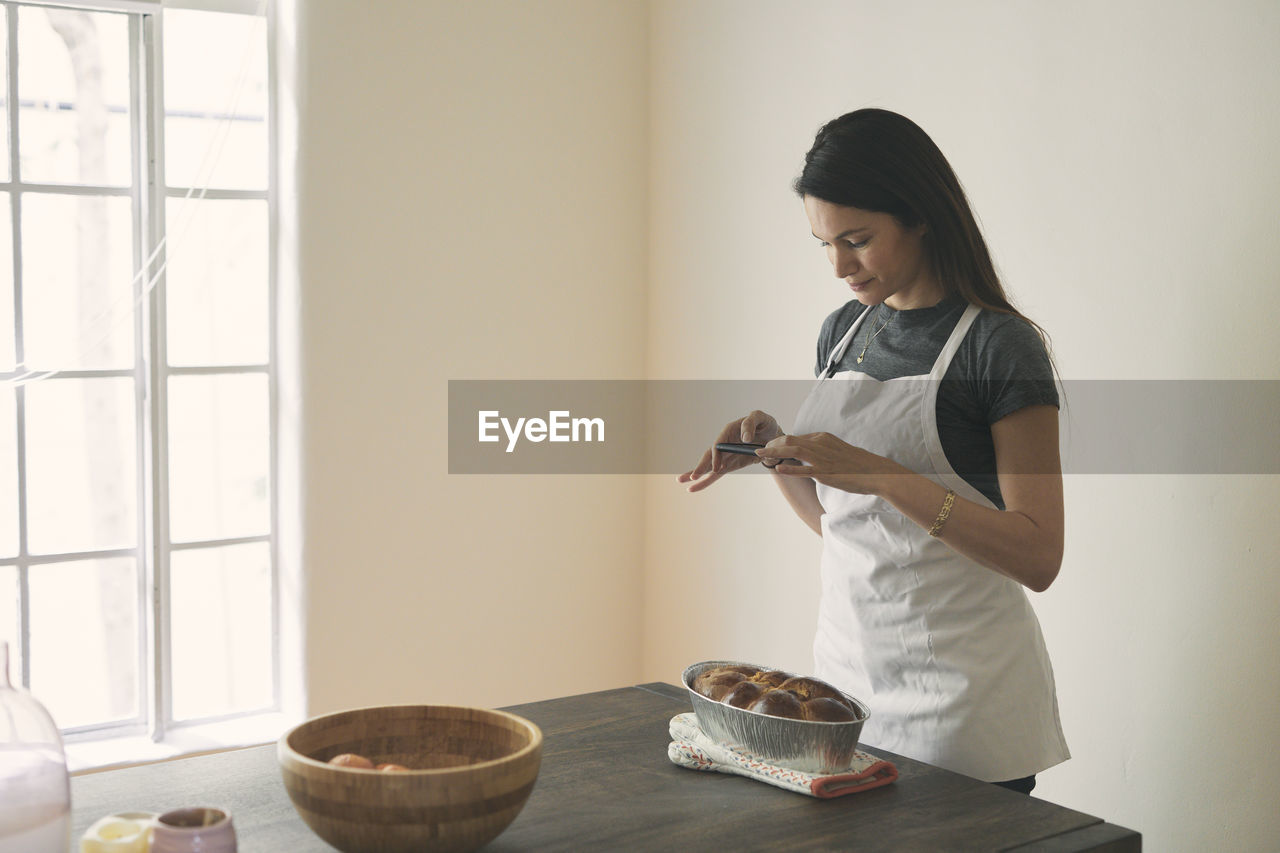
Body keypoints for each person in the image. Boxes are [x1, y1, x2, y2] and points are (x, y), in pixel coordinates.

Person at [678, 108, 1069, 794]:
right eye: (823, 243)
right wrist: (772, 452)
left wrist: (881, 474)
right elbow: (847, 529)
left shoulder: (998, 347)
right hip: (841, 699)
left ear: (920, 216)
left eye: (857, 239)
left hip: (964, 717)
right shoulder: (843, 332)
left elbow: (1038, 555)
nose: (838, 265)